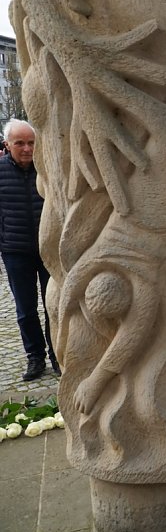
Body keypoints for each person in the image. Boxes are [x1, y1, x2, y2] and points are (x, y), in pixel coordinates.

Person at [0, 119, 60, 381]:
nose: (27, 148)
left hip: (49, 250)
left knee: (54, 306)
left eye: (31, 142)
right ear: (7, 145)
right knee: (25, 310)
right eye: (20, 143)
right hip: (15, 251)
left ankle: (59, 355)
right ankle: (35, 357)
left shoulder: (49, 169)